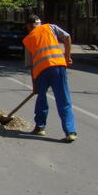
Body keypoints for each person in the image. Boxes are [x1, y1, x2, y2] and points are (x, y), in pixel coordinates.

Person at [22, 14, 78, 142]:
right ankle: (70, 132)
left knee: (41, 98)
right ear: (39, 23)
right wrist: (67, 56)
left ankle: (40, 127)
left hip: (41, 71)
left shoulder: (28, 39)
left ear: (28, 26)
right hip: (58, 66)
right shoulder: (50, 28)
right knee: (63, 98)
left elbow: (30, 65)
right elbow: (67, 37)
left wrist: (34, 85)